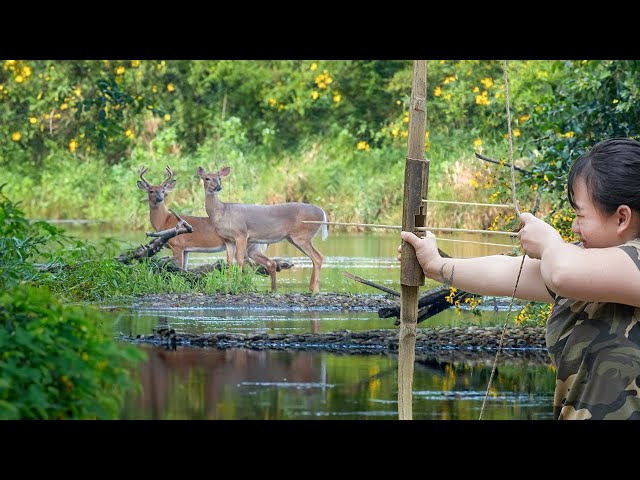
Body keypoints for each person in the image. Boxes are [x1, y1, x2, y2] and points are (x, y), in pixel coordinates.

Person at [399, 137, 640, 420]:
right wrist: (437, 265)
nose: (574, 227)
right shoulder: (579, 261)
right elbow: (511, 270)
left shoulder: (585, 264)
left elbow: (561, 273)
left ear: (622, 218)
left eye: (580, 215)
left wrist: (549, 243)